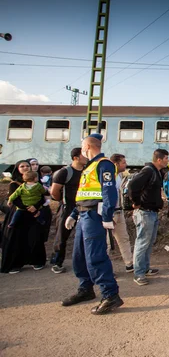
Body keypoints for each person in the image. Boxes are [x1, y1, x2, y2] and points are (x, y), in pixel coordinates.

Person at [61, 134, 123, 315]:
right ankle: (85, 288)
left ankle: (110, 295)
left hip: (94, 216)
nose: (81, 149)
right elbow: (84, 194)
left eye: (82, 146)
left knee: (95, 257)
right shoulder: (90, 166)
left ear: (87, 146)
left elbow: (108, 192)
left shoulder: (104, 164)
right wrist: (74, 214)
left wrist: (106, 216)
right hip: (83, 214)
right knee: (79, 256)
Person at [128, 149, 169, 286]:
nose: (168, 161)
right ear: (159, 159)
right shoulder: (148, 171)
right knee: (142, 243)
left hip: (151, 212)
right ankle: (138, 273)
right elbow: (133, 185)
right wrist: (136, 203)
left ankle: (145, 268)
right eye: (166, 158)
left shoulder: (156, 172)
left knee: (149, 242)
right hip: (144, 212)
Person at [1, 160, 47, 274]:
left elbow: (42, 197)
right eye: (22, 166)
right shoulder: (14, 183)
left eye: (27, 166)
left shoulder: (37, 183)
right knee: (17, 239)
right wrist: (27, 208)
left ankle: (36, 261)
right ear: (17, 169)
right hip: (19, 212)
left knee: (34, 236)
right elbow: (15, 198)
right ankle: (16, 264)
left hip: (34, 213)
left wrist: (35, 207)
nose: (25, 168)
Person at [50, 147, 88, 274]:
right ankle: (56, 262)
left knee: (85, 237)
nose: (87, 157)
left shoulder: (87, 171)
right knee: (61, 236)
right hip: (67, 208)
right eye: (83, 155)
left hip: (83, 207)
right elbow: (54, 191)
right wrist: (63, 201)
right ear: (76, 157)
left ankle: (83, 263)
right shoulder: (65, 172)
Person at [108, 153, 134, 273]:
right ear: (116, 164)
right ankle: (106, 269)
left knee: (123, 238)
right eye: (123, 162)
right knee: (107, 242)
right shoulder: (108, 177)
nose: (126, 164)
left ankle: (129, 264)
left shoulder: (118, 176)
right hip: (111, 213)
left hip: (119, 211)